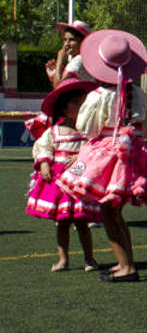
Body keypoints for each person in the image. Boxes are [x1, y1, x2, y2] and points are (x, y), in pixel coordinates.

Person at [57, 29, 147, 282]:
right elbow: (143, 121)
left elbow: (88, 127)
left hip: (107, 155)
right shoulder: (137, 93)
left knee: (109, 213)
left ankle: (127, 266)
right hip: (133, 153)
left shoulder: (98, 95)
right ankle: (125, 262)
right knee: (115, 212)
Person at [25, 78, 102, 272]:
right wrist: (44, 163)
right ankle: (63, 259)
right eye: (76, 103)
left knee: (81, 220)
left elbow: (95, 150)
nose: (81, 106)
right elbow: (43, 147)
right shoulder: (54, 131)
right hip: (58, 180)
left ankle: (89, 259)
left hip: (79, 178)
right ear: (63, 108)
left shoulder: (88, 131)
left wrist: (79, 157)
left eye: (83, 103)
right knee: (62, 222)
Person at [46, 20, 94, 87]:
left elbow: (59, 88)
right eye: (65, 40)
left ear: (83, 41)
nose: (67, 44)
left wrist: (60, 60)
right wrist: (54, 77)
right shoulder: (88, 59)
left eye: (72, 40)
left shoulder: (79, 60)